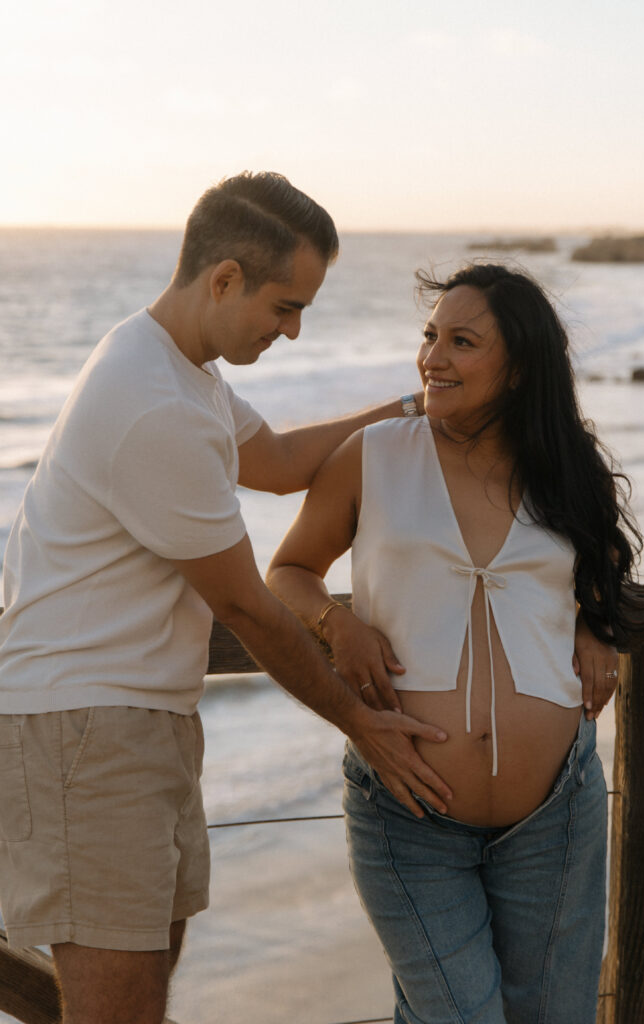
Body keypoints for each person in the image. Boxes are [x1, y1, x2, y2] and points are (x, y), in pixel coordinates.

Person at [0, 171, 454, 1024]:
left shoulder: (179, 367)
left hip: (137, 717)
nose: (291, 332)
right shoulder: (152, 403)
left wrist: (412, 408)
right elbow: (247, 606)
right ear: (223, 279)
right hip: (83, 730)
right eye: (285, 307)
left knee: (139, 997)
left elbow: (279, 462)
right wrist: (363, 726)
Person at [267, 263, 644, 1024]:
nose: (431, 358)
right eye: (429, 336)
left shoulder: (562, 463)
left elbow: (603, 557)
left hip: (556, 814)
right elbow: (288, 570)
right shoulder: (372, 454)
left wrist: (592, 623)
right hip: (406, 812)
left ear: (517, 370)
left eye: (461, 342)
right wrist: (336, 624)